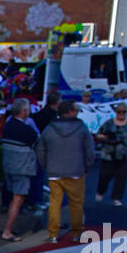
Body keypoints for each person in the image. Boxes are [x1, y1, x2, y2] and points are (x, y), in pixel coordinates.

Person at [34, 99, 96, 243]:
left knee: (55, 202)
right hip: (76, 171)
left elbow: (41, 149)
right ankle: (77, 233)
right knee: (76, 203)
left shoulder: (50, 128)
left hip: (54, 171)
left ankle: (53, 234)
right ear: (71, 112)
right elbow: (89, 151)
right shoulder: (82, 128)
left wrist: (46, 166)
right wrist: (87, 167)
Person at [0, 98, 40, 242]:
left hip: (9, 166)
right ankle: (7, 231)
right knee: (18, 199)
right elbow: (38, 144)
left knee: (14, 199)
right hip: (22, 167)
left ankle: (9, 227)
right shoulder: (27, 130)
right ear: (23, 111)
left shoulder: (7, 126)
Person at [94, 101, 127, 206]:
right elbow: (98, 135)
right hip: (109, 155)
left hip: (126, 155)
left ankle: (116, 198)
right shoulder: (109, 123)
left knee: (121, 178)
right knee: (104, 176)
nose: (121, 114)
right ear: (116, 112)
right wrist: (106, 137)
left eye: (123, 112)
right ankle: (100, 191)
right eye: (119, 112)